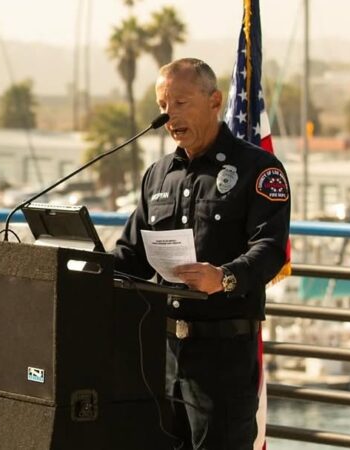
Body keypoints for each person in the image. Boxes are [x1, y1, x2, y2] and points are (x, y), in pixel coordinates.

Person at [111, 58, 290, 449]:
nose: (169, 116)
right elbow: (131, 254)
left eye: (180, 103)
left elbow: (271, 249)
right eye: (163, 105)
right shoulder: (158, 174)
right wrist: (79, 265)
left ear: (215, 101)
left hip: (224, 360)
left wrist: (224, 277)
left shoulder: (258, 169)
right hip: (164, 356)